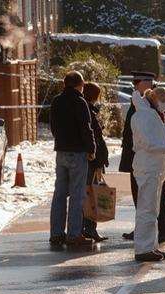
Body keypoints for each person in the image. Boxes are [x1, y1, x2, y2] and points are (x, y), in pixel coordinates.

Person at [131, 87, 165, 262]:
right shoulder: (146, 115)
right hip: (148, 167)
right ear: (156, 99)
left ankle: (149, 246)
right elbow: (149, 144)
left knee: (152, 209)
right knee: (147, 209)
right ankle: (143, 248)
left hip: (153, 167)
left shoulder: (150, 113)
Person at [119, 71, 165, 243]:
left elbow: (156, 135)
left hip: (150, 159)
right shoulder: (142, 104)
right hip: (139, 157)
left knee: (155, 198)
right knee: (142, 199)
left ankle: (161, 230)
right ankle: (144, 234)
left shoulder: (154, 102)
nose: (137, 85)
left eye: (140, 82)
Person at [49, 71, 96, 246]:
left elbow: (53, 126)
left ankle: (56, 233)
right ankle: (74, 234)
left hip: (61, 151)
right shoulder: (80, 102)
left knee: (60, 193)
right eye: (82, 85)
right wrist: (91, 149)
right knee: (77, 194)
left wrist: (60, 141)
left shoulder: (56, 101)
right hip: (78, 152)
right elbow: (86, 128)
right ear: (78, 84)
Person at [82, 82, 109, 242]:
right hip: (92, 161)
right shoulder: (89, 111)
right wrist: (99, 160)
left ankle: (86, 228)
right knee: (91, 194)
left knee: (88, 193)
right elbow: (95, 138)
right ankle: (89, 228)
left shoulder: (88, 109)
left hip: (93, 159)